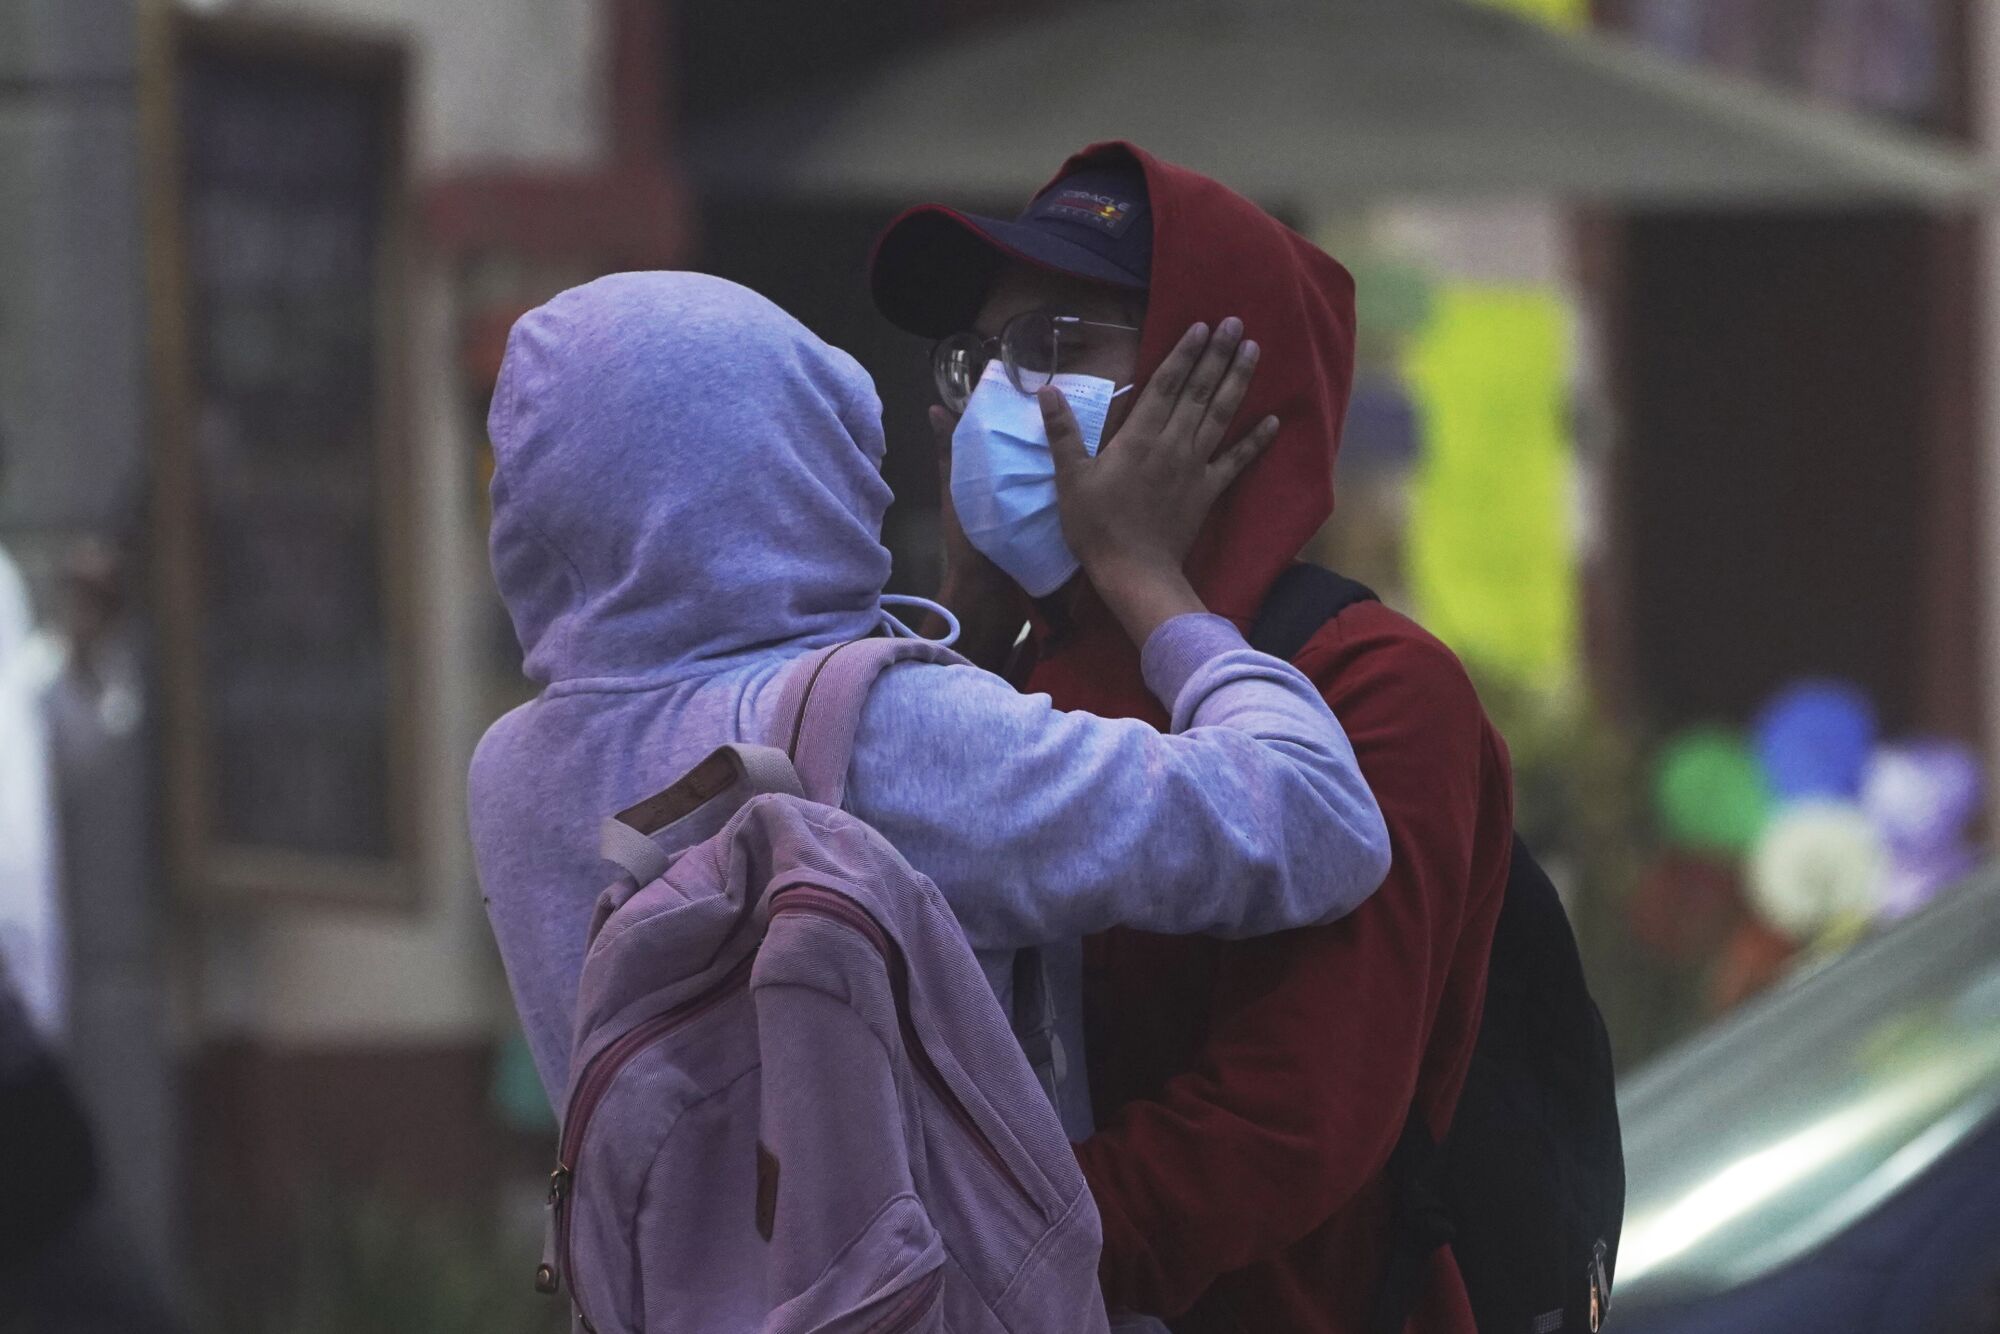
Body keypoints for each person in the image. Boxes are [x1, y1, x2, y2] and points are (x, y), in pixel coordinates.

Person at [467, 270, 1393, 1147]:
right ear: (809, 455)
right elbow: (1316, 819)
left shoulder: (509, 771)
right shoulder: (896, 736)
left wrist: (967, 613)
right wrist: (1145, 573)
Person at [869, 142, 1514, 1333]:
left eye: (1058, 345)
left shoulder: (1372, 685)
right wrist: (971, 627)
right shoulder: (1021, 675)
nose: (1000, 399)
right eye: (981, 362)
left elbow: (1288, 1116)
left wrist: (985, 1277)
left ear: (1219, 388)